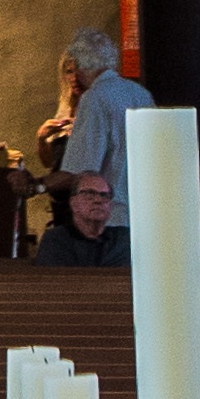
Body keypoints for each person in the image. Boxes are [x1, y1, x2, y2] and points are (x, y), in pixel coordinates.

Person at [34, 21, 152, 265]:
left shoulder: (95, 98)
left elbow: (79, 169)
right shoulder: (140, 94)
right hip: (144, 216)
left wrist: (36, 186)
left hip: (110, 219)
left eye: (75, 68)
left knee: (93, 289)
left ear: (81, 66)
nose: (74, 76)